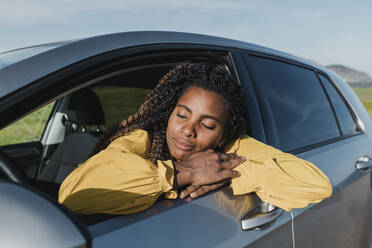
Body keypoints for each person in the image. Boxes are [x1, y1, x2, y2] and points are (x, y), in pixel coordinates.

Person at [58, 62, 332, 215]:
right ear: (168, 113)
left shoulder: (233, 147)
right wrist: (181, 172)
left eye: (208, 124)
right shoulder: (140, 140)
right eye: (182, 115)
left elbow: (316, 186)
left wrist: (223, 170)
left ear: (223, 133)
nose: (188, 130)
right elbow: (73, 195)